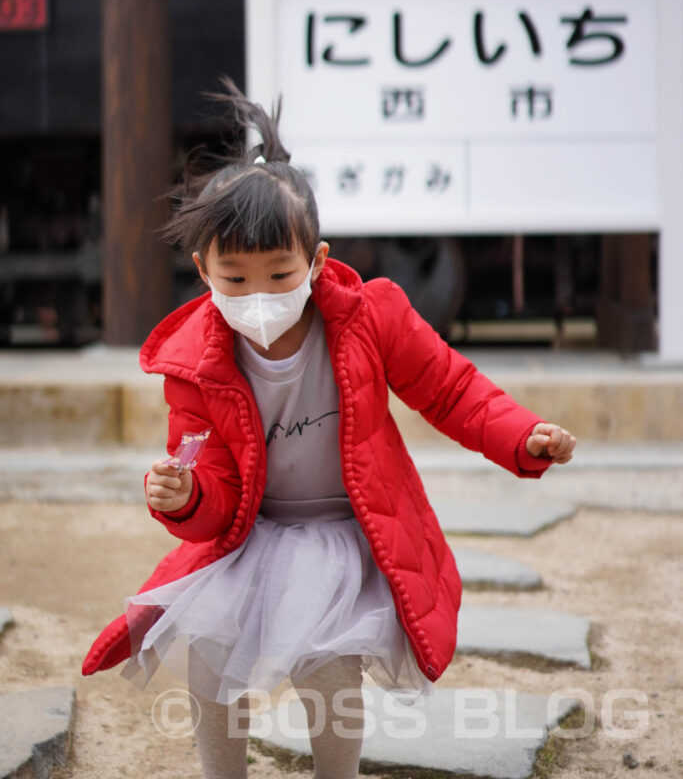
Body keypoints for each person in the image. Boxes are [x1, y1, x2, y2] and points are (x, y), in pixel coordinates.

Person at [82, 83, 576, 779]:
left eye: (279, 274)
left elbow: (449, 386)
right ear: (202, 273)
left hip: (348, 529)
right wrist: (185, 496)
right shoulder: (194, 362)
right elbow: (211, 482)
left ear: (315, 261)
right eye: (235, 279)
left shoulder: (369, 317)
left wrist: (520, 434)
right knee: (211, 662)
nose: (258, 298)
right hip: (251, 537)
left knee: (331, 670)